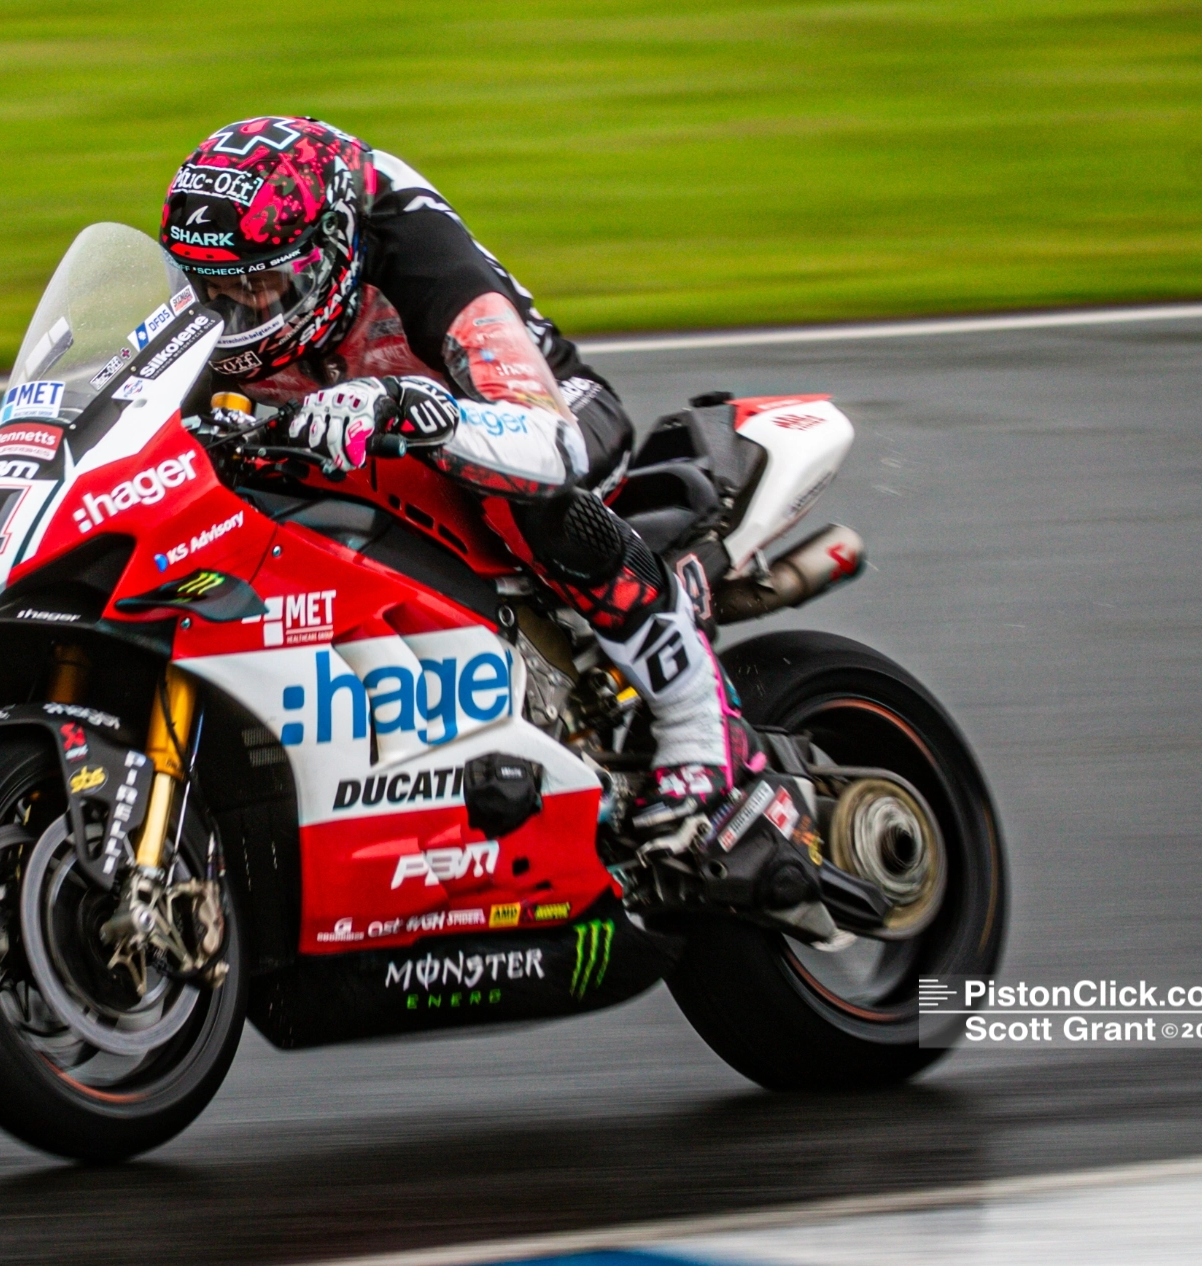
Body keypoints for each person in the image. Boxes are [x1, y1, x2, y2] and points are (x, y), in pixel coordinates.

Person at [159, 116, 765, 840]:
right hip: (352, 411)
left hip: (535, 408)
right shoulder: (232, 280)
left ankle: (699, 716)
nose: (233, 316)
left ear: (329, 257)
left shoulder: (414, 245)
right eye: (208, 290)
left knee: (514, 492)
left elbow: (553, 443)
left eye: (259, 289)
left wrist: (416, 407)